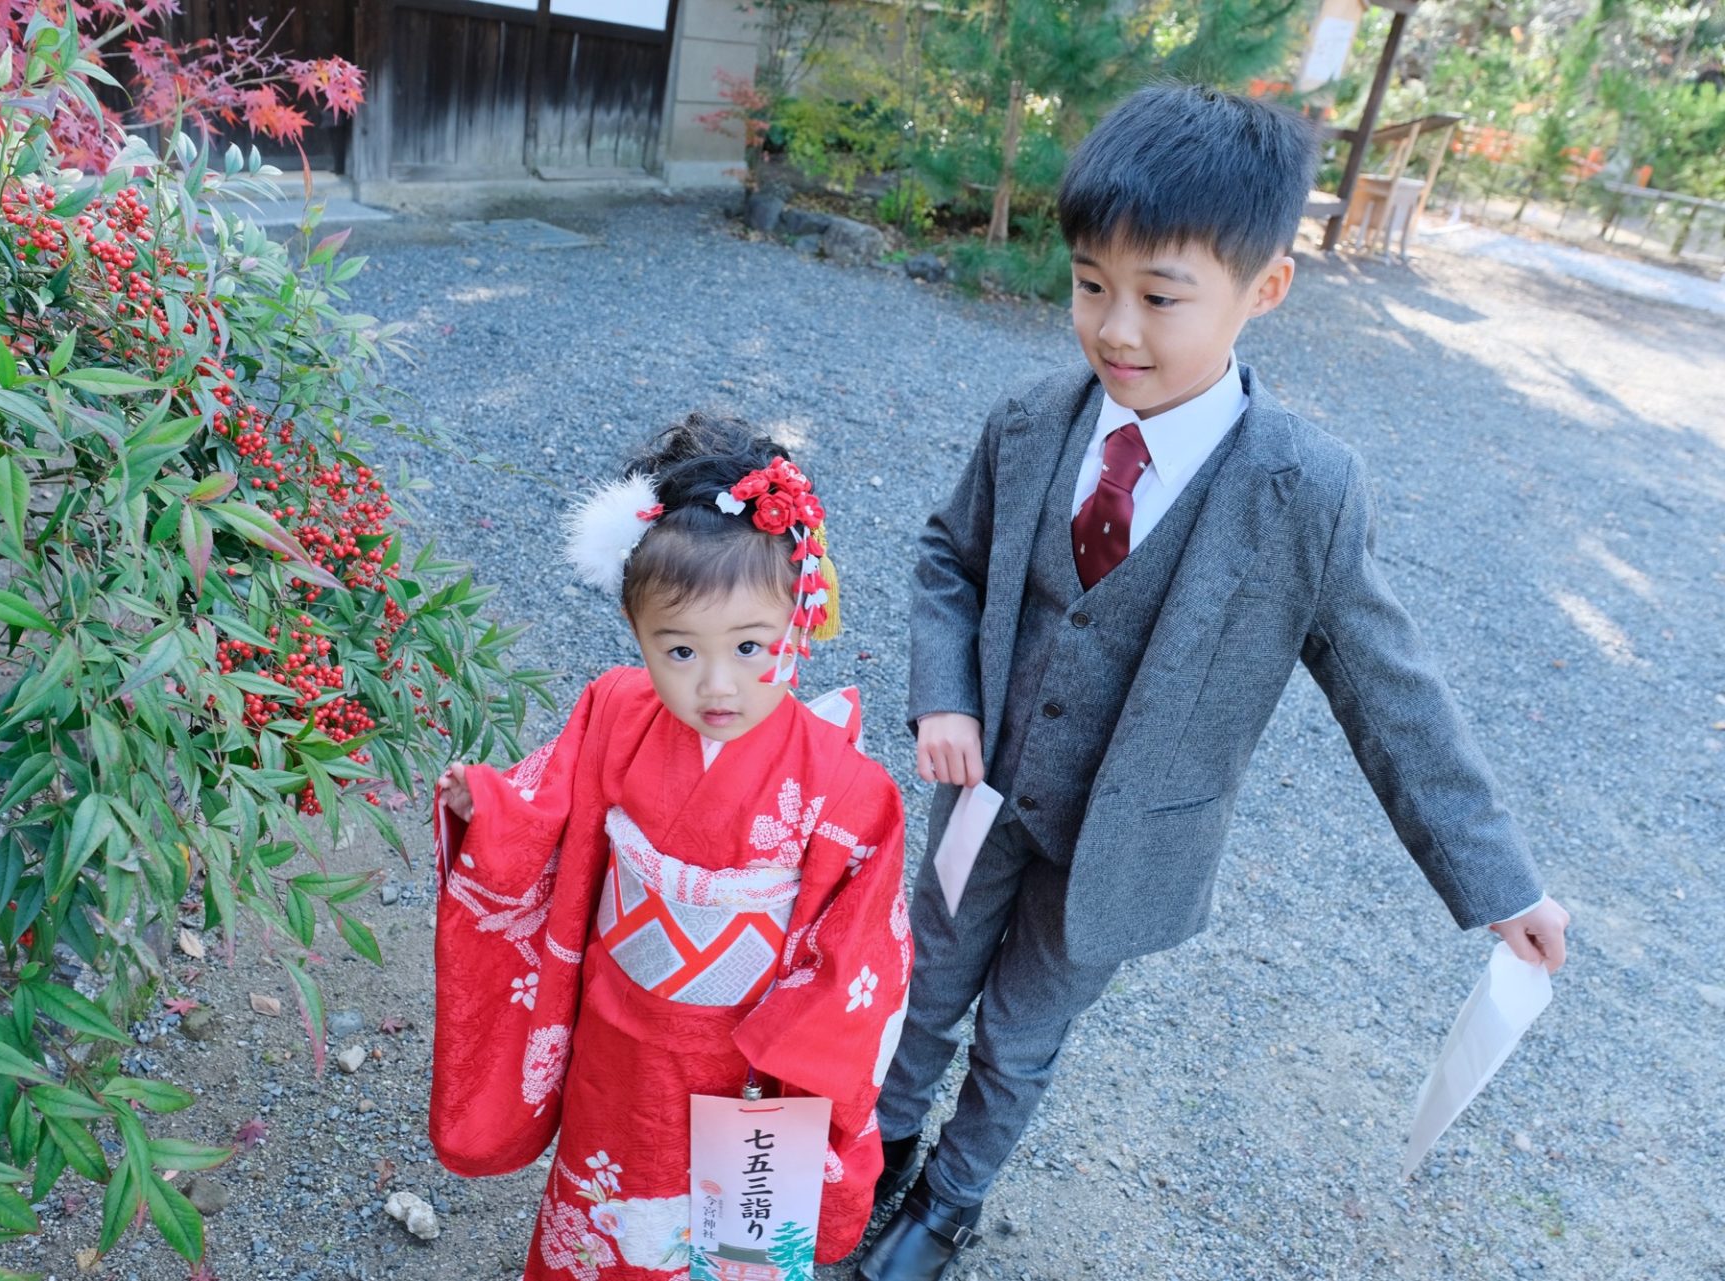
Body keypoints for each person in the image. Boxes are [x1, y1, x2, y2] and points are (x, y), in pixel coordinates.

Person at [857, 84, 1572, 1281]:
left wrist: (1499, 882)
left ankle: (952, 1197)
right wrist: (945, 695)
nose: (1115, 329)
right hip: (985, 793)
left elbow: (1390, 690)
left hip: (1125, 842)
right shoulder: (1032, 421)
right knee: (923, 986)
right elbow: (948, 555)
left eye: (1159, 296)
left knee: (1023, 1034)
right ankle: (868, 1147)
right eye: (1090, 284)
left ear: (1264, 290)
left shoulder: (1305, 489)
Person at [429, 414, 913, 1278]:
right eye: (679, 648)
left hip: (746, 1059)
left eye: (751, 647)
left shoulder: (847, 791)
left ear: (800, 621)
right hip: (620, 1035)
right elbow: (548, 814)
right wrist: (493, 812)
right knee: (604, 1194)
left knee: (734, 1240)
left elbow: (856, 963)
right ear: (635, 627)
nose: (716, 683)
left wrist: (792, 1070)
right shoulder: (615, 709)